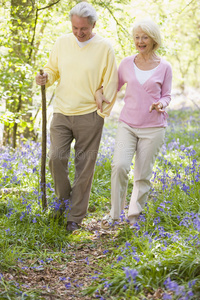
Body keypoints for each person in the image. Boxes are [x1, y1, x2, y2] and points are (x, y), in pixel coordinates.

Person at [35, 2, 118, 232]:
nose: (79, 33)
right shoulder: (62, 42)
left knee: (85, 167)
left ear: (94, 25)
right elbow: (52, 70)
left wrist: (102, 111)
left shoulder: (105, 48)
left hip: (89, 115)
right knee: (56, 158)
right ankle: (63, 202)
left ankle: (75, 216)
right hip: (62, 111)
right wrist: (45, 78)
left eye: (84, 29)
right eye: (75, 28)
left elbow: (111, 82)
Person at [95, 19, 172, 230]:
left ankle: (134, 215)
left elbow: (167, 95)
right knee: (119, 166)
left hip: (153, 128)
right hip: (127, 125)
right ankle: (115, 214)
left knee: (142, 174)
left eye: (144, 37)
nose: (140, 41)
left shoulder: (165, 67)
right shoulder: (127, 63)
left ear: (153, 39)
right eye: (137, 37)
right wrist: (101, 92)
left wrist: (161, 104)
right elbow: (114, 86)